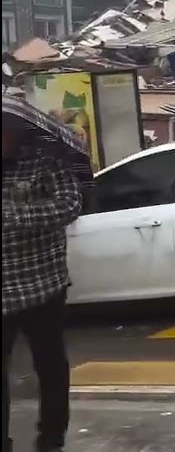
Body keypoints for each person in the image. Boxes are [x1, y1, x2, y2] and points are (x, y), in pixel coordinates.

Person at [3, 114, 84, 452]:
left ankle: (51, 438)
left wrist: (16, 216)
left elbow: (70, 204)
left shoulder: (47, 160)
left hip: (43, 283)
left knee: (50, 366)